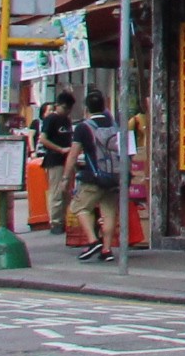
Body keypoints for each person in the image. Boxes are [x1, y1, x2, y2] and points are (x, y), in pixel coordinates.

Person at [64, 89, 121, 261]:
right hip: (114, 176)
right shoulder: (114, 125)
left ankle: (92, 241)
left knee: (79, 207)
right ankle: (107, 249)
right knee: (109, 213)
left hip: (93, 177)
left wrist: (66, 178)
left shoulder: (84, 127)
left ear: (86, 108)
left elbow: (73, 155)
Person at [36, 94, 79, 236]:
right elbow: (43, 139)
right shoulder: (51, 119)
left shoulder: (66, 120)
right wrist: (60, 149)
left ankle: (64, 219)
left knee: (66, 191)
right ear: (58, 105)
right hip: (54, 159)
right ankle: (55, 222)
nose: (67, 111)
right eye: (65, 108)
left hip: (67, 159)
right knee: (56, 192)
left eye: (69, 109)